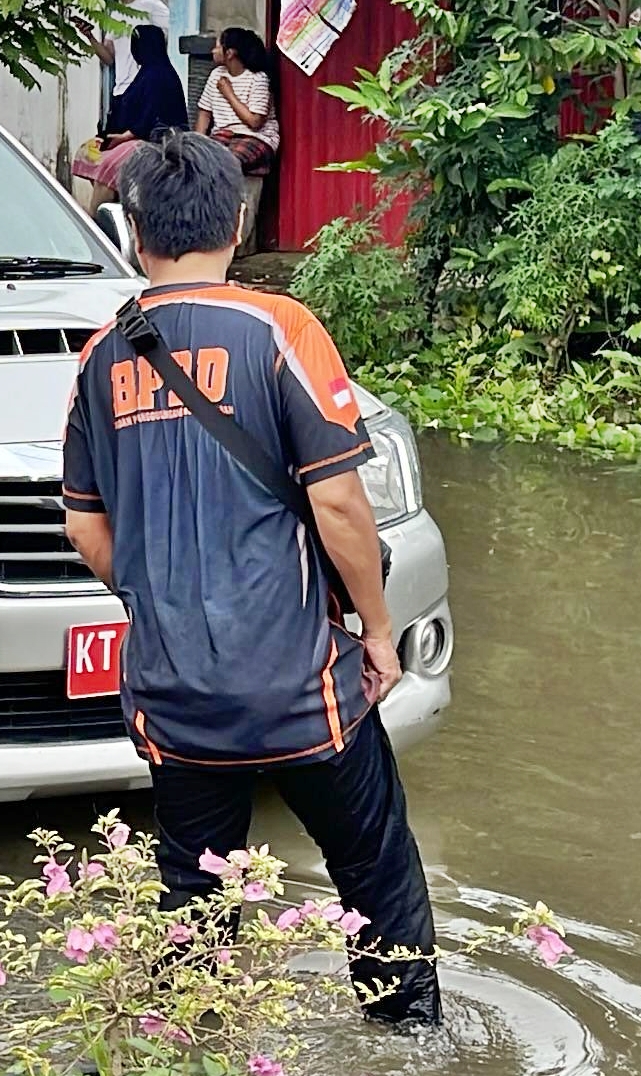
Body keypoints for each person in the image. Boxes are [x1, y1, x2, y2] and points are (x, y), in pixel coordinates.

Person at [61, 132, 441, 1028]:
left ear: (133, 233)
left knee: (195, 904)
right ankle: (407, 1044)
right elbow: (340, 505)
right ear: (237, 222)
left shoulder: (100, 357)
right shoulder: (281, 329)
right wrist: (378, 633)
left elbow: (85, 526)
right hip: (303, 689)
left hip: (174, 695)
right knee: (375, 875)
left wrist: (160, 600)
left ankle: (191, 1043)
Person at [71, 25, 188, 206]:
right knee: (88, 152)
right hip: (130, 137)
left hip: (154, 142)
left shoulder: (160, 75)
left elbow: (152, 116)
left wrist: (127, 136)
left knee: (109, 166)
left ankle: (96, 215)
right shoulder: (145, 74)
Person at [194, 27, 280, 175]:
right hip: (223, 135)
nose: (213, 51)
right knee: (198, 160)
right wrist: (196, 144)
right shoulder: (216, 75)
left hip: (254, 137)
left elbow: (255, 122)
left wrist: (228, 93)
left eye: (217, 47)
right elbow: (204, 114)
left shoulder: (258, 78)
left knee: (226, 162)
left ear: (230, 53)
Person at [75, 0, 171, 97]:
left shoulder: (152, 5)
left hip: (148, 88)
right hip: (122, 90)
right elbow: (109, 59)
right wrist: (90, 36)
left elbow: (174, 36)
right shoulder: (115, 13)